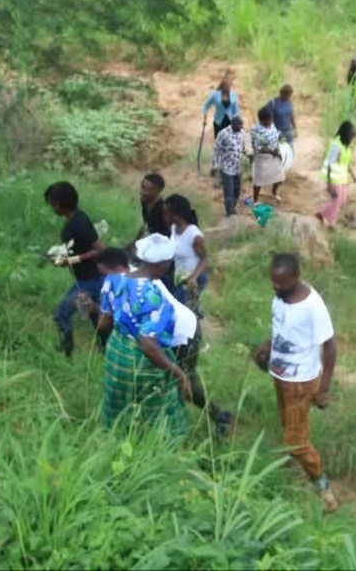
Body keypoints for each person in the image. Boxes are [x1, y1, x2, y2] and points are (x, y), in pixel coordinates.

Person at [253, 254, 339, 513]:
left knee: (295, 437)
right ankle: (295, 459)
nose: (277, 289)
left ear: (295, 278)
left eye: (282, 284)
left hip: (301, 381)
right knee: (287, 423)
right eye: (274, 284)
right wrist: (267, 345)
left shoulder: (312, 306)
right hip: (280, 375)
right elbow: (281, 328)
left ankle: (323, 485)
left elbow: (331, 347)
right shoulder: (279, 298)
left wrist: (323, 388)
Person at [97, 234, 191, 435]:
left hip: (116, 352)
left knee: (120, 409)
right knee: (158, 410)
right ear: (163, 264)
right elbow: (148, 345)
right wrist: (179, 374)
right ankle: (158, 451)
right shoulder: (154, 296)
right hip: (139, 362)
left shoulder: (113, 281)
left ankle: (118, 443)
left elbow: (103, 323)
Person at [163, 195, 232, 433]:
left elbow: (204, 259)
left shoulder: (194, 234)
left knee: (185, 371)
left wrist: (193, 277)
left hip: (189, 284)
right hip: (177, 284)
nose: (164, 215)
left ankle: (217, 417)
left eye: (166, 211)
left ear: (176, 214)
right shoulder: (173, 229)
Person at [45, 181, 105, 357]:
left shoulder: (79, 222)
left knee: (61, 314)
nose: (52, 207)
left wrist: (74, 259)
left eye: (53, 203)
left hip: (91, 280)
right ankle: (107, 350)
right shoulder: (74, 219)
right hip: (83, 279)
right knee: (95, 316)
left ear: (63, 202)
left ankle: (67, 351)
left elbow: (100, 249)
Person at [130, 173, 173, 288]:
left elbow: (171, 233)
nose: (142, 192)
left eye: (146, 190)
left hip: (165, 247)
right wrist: (135, 241)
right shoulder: (145, 202)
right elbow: (146, 224)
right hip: (154, 243)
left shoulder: (163, 209)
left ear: (157, 191)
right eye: (142, 188)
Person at [317, 121, 356, 229]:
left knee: (342, 200)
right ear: (345, 133)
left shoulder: (346, 146)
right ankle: (331, 223)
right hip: (334, 178)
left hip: (342, 178)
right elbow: (329, 163)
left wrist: (352, 174)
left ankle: (322, 214)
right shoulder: (336, 146)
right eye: (351, 135)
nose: (352, 138)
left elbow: (346, 162)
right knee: (337, 200)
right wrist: (329, 184)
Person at [212, 116, 250, 217]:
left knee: (236, 190)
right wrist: (215, 166)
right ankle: (230, 213)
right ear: (233, 124)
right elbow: (216, 150)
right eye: (240, 125)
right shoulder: (223, 134)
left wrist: (250, 156)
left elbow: (245, 148)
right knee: (229, 191)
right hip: (226, 168)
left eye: (242, 125)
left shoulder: (242, 133)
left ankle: (232, 207)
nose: (241, 127)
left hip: (238, 167)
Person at [251, 107, 285, 204]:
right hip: (262, 158)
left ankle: (274, 192)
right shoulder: (258, 131)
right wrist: (271, 151)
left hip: (274, 155)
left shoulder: (272, 125)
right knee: (259, 180)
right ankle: (255, 199)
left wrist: (279, 136)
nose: (272, 119)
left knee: (279, 176)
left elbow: (276, 134)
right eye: (270, 118)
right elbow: (258, 148)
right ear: (264, 120)